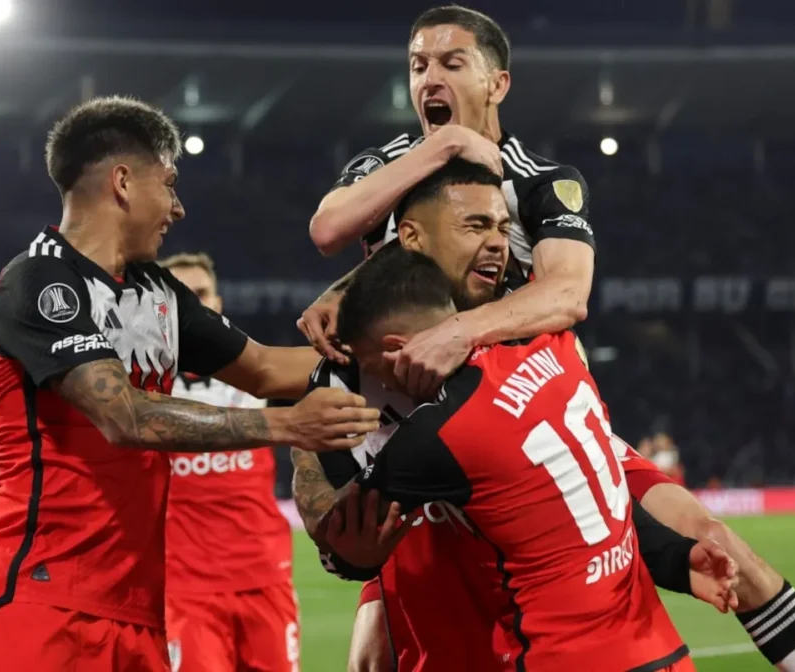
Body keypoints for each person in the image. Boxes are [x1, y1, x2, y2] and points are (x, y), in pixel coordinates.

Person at [295, 158, 795, 672]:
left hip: (542, 639)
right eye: (476, 227)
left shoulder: (475, 390)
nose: (496, 243)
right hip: (595, 637)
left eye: (500, 227)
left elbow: (352, 542)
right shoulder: (543, 341)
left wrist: (306, 443)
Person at [0, 96, 378, 672]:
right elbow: (123, 416)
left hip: (137, 609)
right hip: (35, 596)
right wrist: (284, 423)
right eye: (170, 183)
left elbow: (266, 369)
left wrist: (399, 354)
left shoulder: (156, 290)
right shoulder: (37, 281)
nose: (177, 208)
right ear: (122, 181)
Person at [312, 243, 738, 671]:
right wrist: (677, 558)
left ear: (395, 349)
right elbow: (599, 505)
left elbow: (347, 543)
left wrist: (307, 429)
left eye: (371, 367)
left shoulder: (438, 433)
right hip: (659, 653)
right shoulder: (557, 350)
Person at [301, 5, 593, 402]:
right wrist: (445, 145)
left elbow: (567, 293)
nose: (430, 80)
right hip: (387, 397)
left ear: (497, 85)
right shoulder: (385, 163)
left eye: (452, 65)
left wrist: (457, 331)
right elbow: (327, 231)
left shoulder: (541, 180)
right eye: (418, 67)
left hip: (498, 395)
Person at [161, 252, 300, 672]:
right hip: (185, 587)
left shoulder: (262, 373)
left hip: (265, 575)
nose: (195, 304)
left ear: (218, 303)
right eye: (182, 296)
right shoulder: (139, 387)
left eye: (201, 294)